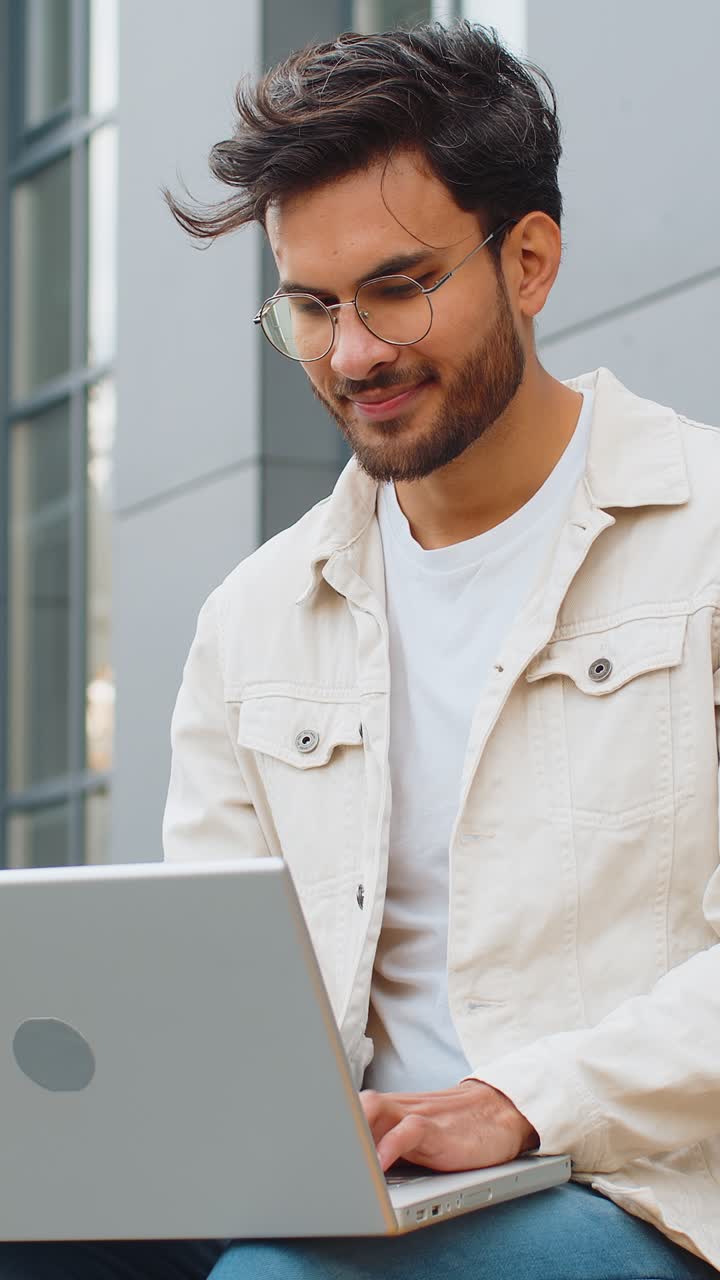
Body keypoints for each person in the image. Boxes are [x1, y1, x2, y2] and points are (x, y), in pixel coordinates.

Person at [2, 19, 718, 1280]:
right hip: (352, 1171)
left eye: (399, 287)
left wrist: (516, 1096)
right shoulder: (257, 617)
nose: (352, 354)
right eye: (312, 307)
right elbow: (212, 984)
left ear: (532, 259)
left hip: (641, 1176)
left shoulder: (703, 534)